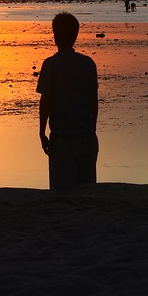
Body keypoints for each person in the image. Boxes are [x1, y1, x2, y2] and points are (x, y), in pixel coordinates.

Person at [37, 12, 99, 190]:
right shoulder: (88, 64)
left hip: (64, 140)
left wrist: (42, 132)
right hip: (87, 137)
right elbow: (94, 102)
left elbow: (45, 102)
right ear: (75, 36)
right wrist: (92, 129)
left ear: (55, 35)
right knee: (87, 190)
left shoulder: (51, 64)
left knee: (62, 192)